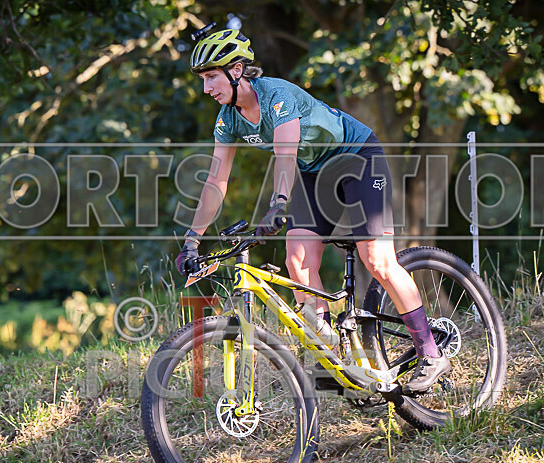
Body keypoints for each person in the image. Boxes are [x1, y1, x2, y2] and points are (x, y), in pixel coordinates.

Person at [175, 28, 450, 393]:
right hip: (313, 171)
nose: (207, 88)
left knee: (377, 258)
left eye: (211, 76)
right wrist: (192, 240)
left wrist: (278, 204)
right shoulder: (228, 119)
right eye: (204, 79)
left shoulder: (276, 95)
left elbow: (285, 153)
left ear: (237, 69)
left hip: (357, 158)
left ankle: (431, 351)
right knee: (298, 261)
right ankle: (331, 351)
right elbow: (216, 181)